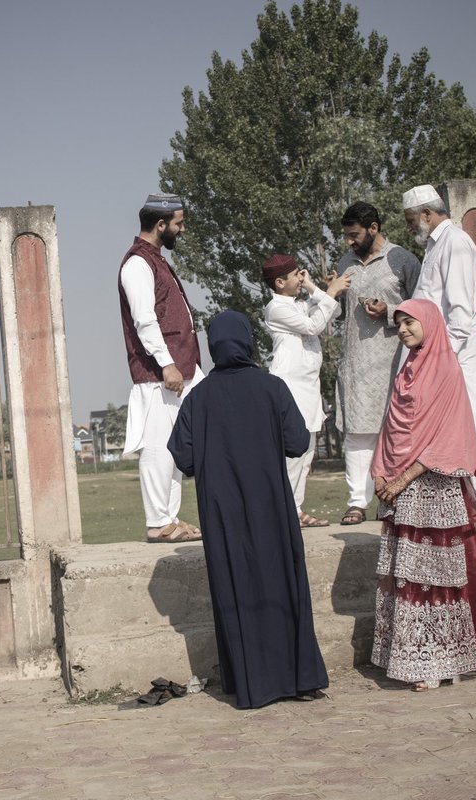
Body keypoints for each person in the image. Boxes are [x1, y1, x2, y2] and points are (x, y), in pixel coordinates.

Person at [168, 310, 330, 708]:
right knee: (283, 584)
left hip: (223, 516)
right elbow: (297, 442)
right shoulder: (271, 388)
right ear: (247, 341)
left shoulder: (198, 397)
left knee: (236, 589)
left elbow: (183, 457)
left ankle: (250, 684)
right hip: (271, 509)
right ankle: (299, 679)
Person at [369, 299, 476, 690]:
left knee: (432, 577)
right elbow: (391, 428)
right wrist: (380, 471)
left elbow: (447, 435)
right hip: (398, 487)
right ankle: (410, 657)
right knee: (405, 575)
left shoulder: (445, 370)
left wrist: (403, 477)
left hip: (432, 484)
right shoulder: (406, 371)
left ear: (428, 322)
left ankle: (437, 662)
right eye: (399, 324)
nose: (404, 329)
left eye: (409, 321)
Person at [402, 185, 476, 519]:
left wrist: (446, 356)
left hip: (455, 352)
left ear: (428, 214)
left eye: (411, 219)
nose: (409, 227)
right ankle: (468, 501)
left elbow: (460, 310)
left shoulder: (455, 243)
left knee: (470, 423)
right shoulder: (435, 246)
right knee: (450, 426)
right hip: (441, 351)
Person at [118, 192, 205, 543]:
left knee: (176, 448)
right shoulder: (137, 264)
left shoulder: (156, 260)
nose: (181, 230)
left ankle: (169, 518)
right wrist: (168, 364)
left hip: (178, 369)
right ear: (160, 224)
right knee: (157, 447)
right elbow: (145, 321)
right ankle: (158, 522)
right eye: (178, 224)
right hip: (158, 374)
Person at [331, 201, 421, 525]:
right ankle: (357, 502)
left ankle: (398, 496)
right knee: (357, 433)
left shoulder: (402, 261)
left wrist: (390, 309)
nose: (349, 242)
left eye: (354, 235)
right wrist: (331, 291)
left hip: (394, 360)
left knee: (396, 430)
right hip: (356, 361)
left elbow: (422, 308)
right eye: (346, 236)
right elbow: (337, 311)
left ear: (374, 228)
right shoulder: (346, 262)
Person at [262, 254, 351, 527]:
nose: (299, 279)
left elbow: (333, 311)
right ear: (279, 282)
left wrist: (315, 288)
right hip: (289, 386)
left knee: (308, 452)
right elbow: (315, 324)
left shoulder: (299, 303)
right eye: (295, 276)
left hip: (309, 386)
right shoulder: (276, 308)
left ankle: (295, 509)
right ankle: (284, 511)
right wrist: (331, 291)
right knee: (292, 453)